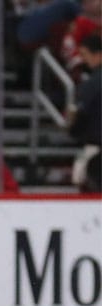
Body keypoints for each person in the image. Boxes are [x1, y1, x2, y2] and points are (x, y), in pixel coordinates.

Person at [67, 33, 101, 192]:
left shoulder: (91, 84)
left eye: (84, 55)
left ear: (98, 55)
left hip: (96, 151)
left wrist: (73, 129)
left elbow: (79, 116)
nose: (82, 59)